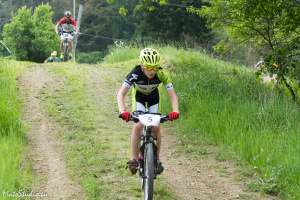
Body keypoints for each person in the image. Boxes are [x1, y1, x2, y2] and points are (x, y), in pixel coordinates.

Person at [117, 48, 180, 175]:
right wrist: (123, 111)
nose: (152, 71)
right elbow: (121, 94)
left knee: (156, 127)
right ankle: (134, 159)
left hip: (153, 98)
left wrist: (175, 110)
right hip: (139, 97)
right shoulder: (135, 73)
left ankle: (156, 159)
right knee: (138, 125)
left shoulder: (162, 74)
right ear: (141, 66)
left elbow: (173, 95)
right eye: (148, 67)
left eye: (155, 67)